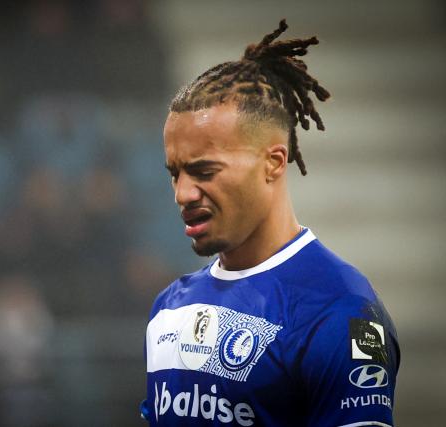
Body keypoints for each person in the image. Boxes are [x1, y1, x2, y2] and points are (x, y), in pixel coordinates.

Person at [141, 20, 400, 427]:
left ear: (273, 163)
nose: (183, 194)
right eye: (175, 173)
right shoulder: (168, 310)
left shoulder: (343, 313)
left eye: (204, 171)